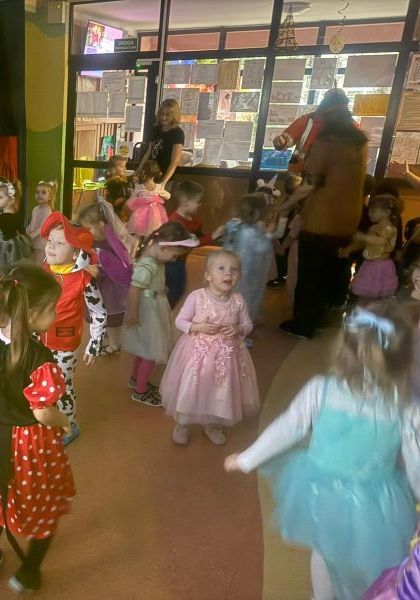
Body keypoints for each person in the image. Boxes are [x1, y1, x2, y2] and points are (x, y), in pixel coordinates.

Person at [225, 302, 420, 600]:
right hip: (376, 502)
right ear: (404, 359)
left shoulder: (321, 389)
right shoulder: (405, 406)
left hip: (321, 492)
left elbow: (287, 427)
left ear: (344, 350)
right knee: (368, 556)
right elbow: (415, 459)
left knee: (323, 551)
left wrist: (246, 459)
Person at [0, 264, 75, 595]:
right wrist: (65, 421)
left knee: (1, 487)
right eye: (51, 309)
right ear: (32, 314)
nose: (55, 314)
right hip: (30, 438)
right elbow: (42, 412)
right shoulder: (39, 357)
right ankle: (29, 572)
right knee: (43, 497)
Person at [278, 105, 368, 340]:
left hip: (321, 221)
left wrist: (285, 206)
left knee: (311, 276)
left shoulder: (327, 143)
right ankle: (324, 319)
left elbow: (309, 184)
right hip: (348, 219)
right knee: (333, 271)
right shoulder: (359, 144)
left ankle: (303, 324)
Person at [161, 250, 259, 445]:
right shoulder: (197, 297)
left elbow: (248, 324)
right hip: (198, 356)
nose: (228, 273)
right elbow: (180, 320)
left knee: (220, 391)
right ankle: (183, 424)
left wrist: (238, 328)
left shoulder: (238, 301)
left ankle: (213, 424)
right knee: (192, 389)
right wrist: (197, 327)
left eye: (234, 270)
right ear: (207, 275)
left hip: (226, 358)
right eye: (221, 268)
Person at [39, 211, 107, 445]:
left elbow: (98, 312)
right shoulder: (44, 270)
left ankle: (70, 426)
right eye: (50, 241)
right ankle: (48, 419)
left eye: (60, 243)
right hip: (38, 339)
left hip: (65, 345)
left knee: (62, 387)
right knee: (40, 380)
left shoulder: (84, 280)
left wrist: (94, 343)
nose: (51, 246)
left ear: (76, 252)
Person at [122, 222, 198, 406]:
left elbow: (149, 284)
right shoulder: (148, 264)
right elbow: (134, 290)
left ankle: (136, 380)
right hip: (148, 312)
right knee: (151, 353)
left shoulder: (156, 261)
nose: (174, 259)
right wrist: (133, 314)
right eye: (174, 255)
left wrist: (160, 288)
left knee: (145, 349)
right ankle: (140, 391)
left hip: (154, 306)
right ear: (163, 248)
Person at [77, 199, 137, 355]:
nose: (86, 232)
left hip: (109, 287)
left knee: (109, 315)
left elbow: (116, 265)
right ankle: (112, 340)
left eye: (89, 228)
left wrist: (96, 259)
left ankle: (114, 345)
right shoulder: (104, 236)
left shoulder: (108, 241)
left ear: (100, 225)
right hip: (104, 284)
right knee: (108, 316)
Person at [165, 181, 225, 308]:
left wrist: (217, 235)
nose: (200, 204)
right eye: (197, 202)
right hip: (171, 263)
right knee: (174, 291)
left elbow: (198, 237)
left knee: (179, 290)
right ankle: (164, 313)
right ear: (186, 202)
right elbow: (189, 243)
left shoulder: (193, 220)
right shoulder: (175, 222)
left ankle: (166, 311)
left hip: (181, 261)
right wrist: (213, 236)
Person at [223, 193, 276, 328]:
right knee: (247, 301)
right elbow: (263, 247)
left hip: (232, 272)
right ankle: (241, 330)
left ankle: (232, 325)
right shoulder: (251, 232)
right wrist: (269, 233)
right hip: (249, 274)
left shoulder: (233, 225)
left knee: (232, 299)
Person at [272, 88, 350, 175]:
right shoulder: (308, 119)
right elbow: (290, 136)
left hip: (330, 175)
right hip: (300, 172)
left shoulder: (350, 127)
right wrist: (282, 141)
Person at [342, 194, 401, 302]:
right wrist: (349, 250)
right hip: (369, 264)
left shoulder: (389, 229)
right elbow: (365, 244)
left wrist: (363, 237)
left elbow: (381, 241)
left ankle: (372, 310)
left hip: (380, 266)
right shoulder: (373, 228)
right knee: (365, 295)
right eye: (369, 210)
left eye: (373, 211)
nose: (369, 213)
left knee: (376, 296)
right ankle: (364, 310)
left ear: (387, 212)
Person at [137, 99, 185, 188]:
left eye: (167, 115)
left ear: (174, 116)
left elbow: (175, 161)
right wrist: (139, 170)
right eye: (162, 114)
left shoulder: (178, 133)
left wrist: (163, 182)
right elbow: (148, 152)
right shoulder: (155, 129)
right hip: (149, 175)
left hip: (165, 176)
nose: (163, 118)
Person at [125, 161, 169, 240]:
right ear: (156, 173)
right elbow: (168, 196)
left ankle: (138, 244)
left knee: (139, 233)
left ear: (144, 171)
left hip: (141, 213)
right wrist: (159, 196)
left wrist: (135, 203)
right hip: (154, 213)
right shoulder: (158, 187)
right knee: (152, 231)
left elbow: (130, 200)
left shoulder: (139, 187)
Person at [26, 180, 55, 264]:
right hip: (33, 241)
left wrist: (32, 235)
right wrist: (27, 231)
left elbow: (42, 227)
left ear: (49, 196)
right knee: (33, 262)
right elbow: (32, 223)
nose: (39, 195)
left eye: (43, 193)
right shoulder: (35, 209)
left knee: (39, 264)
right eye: (37, 192)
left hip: (41, 243)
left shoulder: (47, 210)